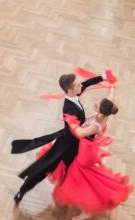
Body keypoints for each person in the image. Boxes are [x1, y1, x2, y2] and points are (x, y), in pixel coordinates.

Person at [11, 70, 111, 205]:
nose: (81, 85)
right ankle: (22, 191)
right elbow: (76, 132)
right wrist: (92, 128)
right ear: (70, 90)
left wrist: (104, 77)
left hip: (78, 146)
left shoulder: (75, 93)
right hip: (65, 146)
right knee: (44, 168)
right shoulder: (68, 109)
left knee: (74, 171)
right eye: (78, 85)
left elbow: (86, 83)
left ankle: (71, 193)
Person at [51, 88, 132, 220]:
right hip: (86, 149)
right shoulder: (106, 109)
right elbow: (111, 97)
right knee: (81, 175)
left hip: (85, 153)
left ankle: (87, 210)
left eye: (97, 105)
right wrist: (111, 85)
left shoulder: (96, 126)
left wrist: (70, 121)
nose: (95, 103)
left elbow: (79, 133)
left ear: (101, 111)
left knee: (80, 178)